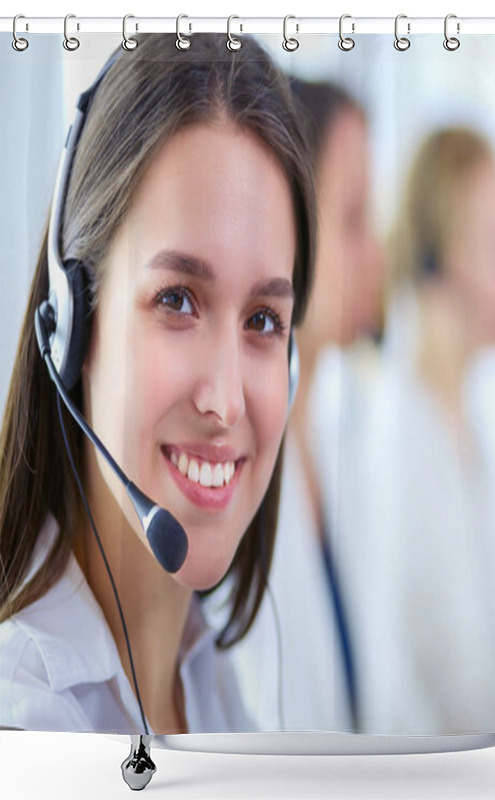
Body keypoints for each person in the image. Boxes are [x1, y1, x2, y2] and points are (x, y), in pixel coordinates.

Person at [0, 33, 315, 735]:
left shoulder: (210, 677)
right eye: (177, 300)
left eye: (263, 319)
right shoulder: (27, 727)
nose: (226, 400)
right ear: (73, 324)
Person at [332, 126, 495, 734]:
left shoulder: (462, 417)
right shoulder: (401, 435)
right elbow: (448, 694)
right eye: (494, 244)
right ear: (441, 262)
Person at [214, 78, 384, 732]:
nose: (377, 254)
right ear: (285, 230)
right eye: (353, 219)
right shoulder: (233, 484)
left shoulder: (332, 452)